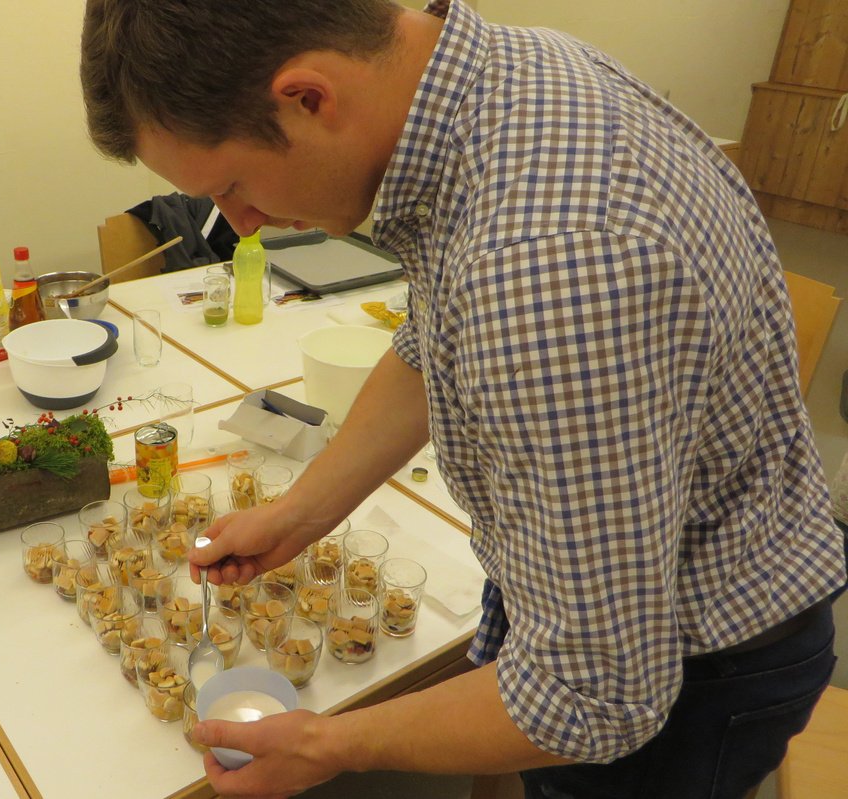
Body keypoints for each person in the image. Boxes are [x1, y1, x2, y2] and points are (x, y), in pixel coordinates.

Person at [81, 1, 847, 798]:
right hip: (625, 606)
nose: (240, 227)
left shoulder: (545, 268)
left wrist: (328, 743)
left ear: (308, 98)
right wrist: (298, 513)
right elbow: (429, 344)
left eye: (233, 186)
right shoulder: (493, 83)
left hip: (696, 671)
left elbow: (593, 696)